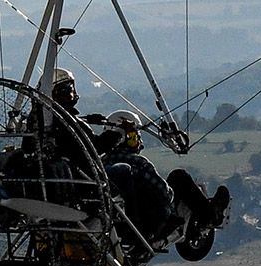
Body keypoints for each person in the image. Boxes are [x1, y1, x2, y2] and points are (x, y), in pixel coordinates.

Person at [45, 69, 227, 253]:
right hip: (151, 222)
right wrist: (172, 203)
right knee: (178, 177)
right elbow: (164, 193)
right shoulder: (131, 163)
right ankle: (211, 216)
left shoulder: (101, 159)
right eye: (133, 137)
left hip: (122, 218)